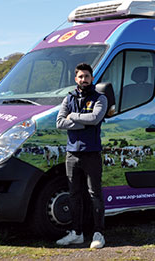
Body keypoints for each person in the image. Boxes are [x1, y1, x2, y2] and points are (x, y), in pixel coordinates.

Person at [56, 63, 108, 249]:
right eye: (80, 76)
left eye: (87, 76)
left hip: (91, 153)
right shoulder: (68, 98)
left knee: (95, 194)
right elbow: (60, 122)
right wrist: (82, 121)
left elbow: (95, 118)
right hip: (72, 154)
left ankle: (98, 234)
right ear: (75, 79)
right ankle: (76, 233)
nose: (83, 79)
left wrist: (73, 116)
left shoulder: (100, 98)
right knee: (74, 195)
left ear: (92, 78)